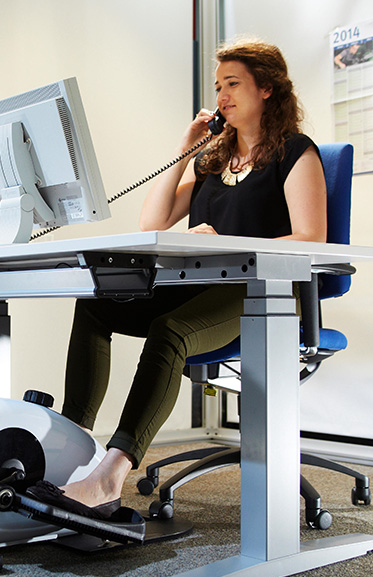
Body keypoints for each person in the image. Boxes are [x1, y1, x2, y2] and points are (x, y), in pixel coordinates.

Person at [27, 38, 327, 520]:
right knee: (96, 301)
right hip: (199, 285)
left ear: (267, 89)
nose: (222, 96)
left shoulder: (295, 153)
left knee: (171, 331)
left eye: (233, 84)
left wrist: (226, 244)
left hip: (258, 293)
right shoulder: (215, 159)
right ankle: (71, 447)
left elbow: (311, 239)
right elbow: (154, 220)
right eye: (218, 87)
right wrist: (185, 151)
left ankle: (109, 476)